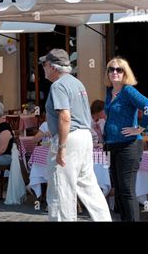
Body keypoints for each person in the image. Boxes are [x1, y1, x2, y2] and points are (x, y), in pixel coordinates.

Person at [41, 49, 111, 221]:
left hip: (70, 137)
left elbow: (65, 116)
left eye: (44, 64)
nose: (43, 68)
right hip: (84, 136)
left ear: (52, 66)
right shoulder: (77, 83)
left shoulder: (58, 85)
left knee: (61, 189)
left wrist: (62, 147)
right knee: (89, 186)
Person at [104, 57, 148, 222]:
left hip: (129, 146)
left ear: (125, 73)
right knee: (119, 191)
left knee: (127, 191)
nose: (114, 72)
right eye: (111, 69)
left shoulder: (128, 91)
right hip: (113, 146)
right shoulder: (109, 92)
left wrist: (140, 128)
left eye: (119, 70)